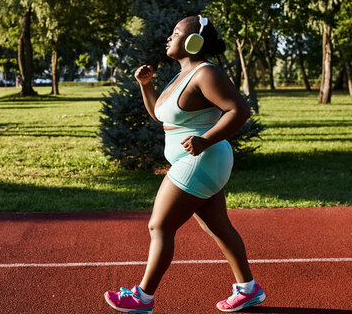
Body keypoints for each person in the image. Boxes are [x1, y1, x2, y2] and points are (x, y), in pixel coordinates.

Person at [104, 16, 265, 313]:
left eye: (176, 32)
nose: (169, 37)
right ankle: (248, 289)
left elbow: (239, 110)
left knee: (160, 225)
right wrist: (146, 85)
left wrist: (205, 139)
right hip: (198, 160)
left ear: (194, 42)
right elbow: (160, 115)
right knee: (218, 226)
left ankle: (142, 298)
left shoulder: (206, 74)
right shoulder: (182, 75)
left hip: (201, 159)